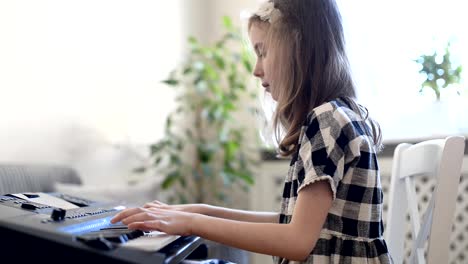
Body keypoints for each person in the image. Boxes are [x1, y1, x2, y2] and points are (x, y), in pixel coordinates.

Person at [111, 0, 393, 263]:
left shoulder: (327, 120)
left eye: (262, 52)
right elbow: (293, 223)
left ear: (298, 48)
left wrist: (193, 224)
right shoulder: (337, 115)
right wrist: (198, 211)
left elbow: (297, 240)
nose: (256, 70)